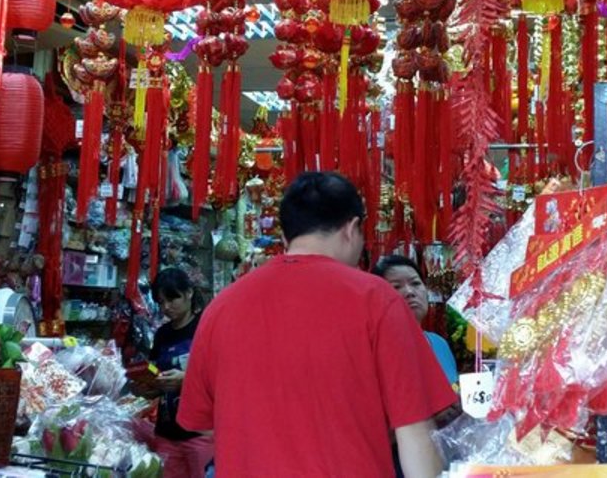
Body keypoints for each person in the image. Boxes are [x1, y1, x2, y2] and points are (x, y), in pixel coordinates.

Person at [178, 172, 456, 478]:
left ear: (285, 237)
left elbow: (203, 425)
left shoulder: (222, 307)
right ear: (352, 229)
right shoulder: (377, 300)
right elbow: (414, 431)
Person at [148, 267, 213, 478]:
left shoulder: (207, 327)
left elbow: (224, 376)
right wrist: (145, 385)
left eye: (172, 299)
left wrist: (186, 380)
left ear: (189, 293)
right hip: (167, 432)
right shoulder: (162, 335)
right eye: (161, 302)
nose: (167, 307)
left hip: (201, 433)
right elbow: (154, 372)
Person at [372, 255, 459, 387]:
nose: (409, 292)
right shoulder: (374, 349)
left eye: (415, 283)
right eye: (396, 286)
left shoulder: (439, 343)